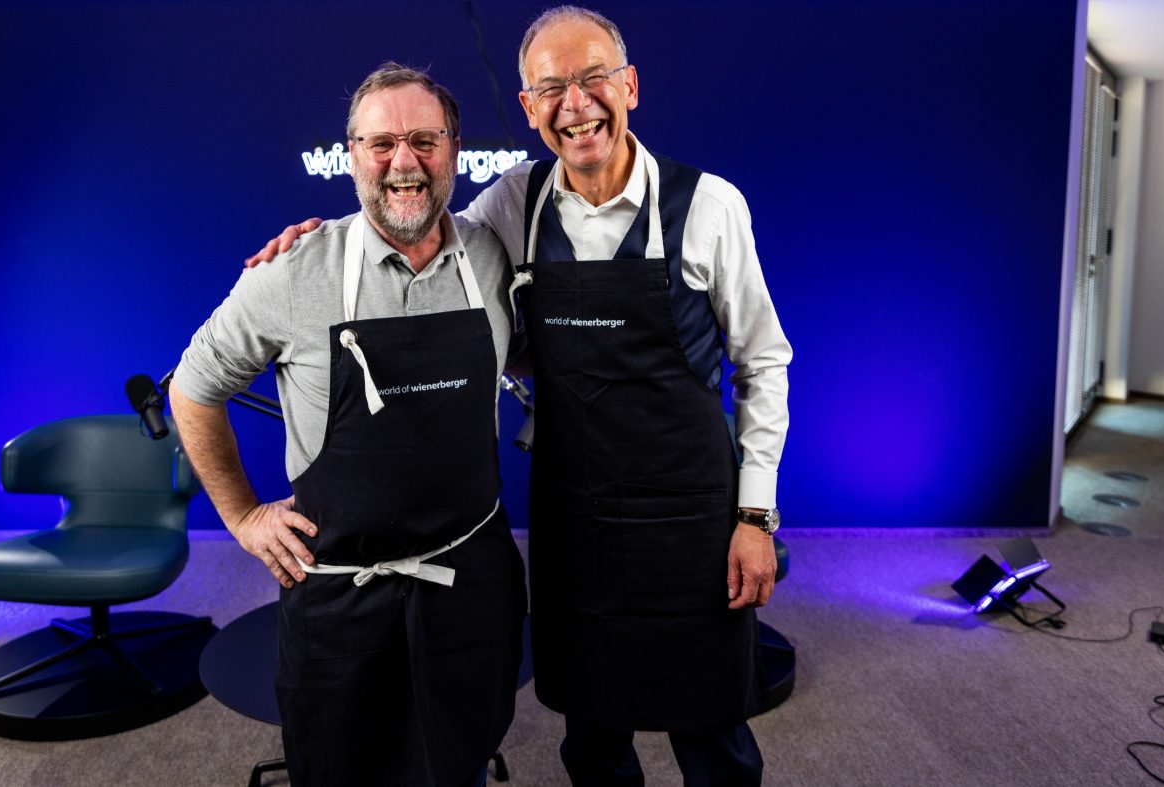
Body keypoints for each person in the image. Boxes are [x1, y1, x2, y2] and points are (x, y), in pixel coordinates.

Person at [250, 7, 791, 785]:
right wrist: (319, 242)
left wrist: (754, 515)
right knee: (593, 730)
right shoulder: (513, 203)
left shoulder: (708, 206)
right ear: (529, 108)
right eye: (551, 89)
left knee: (712, 728)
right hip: (574, 518)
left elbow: (762, 362)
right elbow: (418, 233)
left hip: (692, 517)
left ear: (630, 87)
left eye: (593, 78)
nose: (576, 104)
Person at [170, 62, 526, 787]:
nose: (404, 163)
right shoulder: (292, 271)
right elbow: (193, 387)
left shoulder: (492, 256)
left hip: (470, 578)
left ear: (454, 149)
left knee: (460, 754)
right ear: (352, 155)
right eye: (381, 144)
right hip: (339, 595)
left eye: (424, 140)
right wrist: (242, 516)